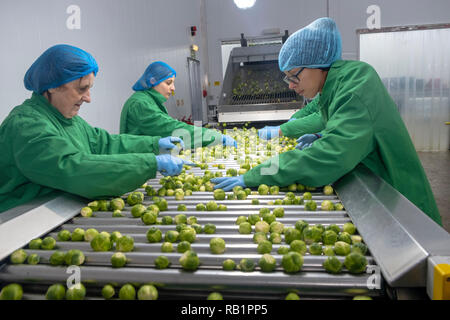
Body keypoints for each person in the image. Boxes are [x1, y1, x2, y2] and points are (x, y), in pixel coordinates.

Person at [211, 17, 442, 225]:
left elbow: (331, 155)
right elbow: (350, 129)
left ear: (317, 64)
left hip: (405, 209)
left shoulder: (356, 86)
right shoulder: (338, 85)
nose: (290, 84)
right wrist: (322, 135)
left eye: (294, 75)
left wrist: (254, 175)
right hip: (381, 196)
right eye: (287, 78)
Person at [0, 44, 189, 214]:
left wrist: (154, 145)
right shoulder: (26, 126)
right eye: (82, 89)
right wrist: (149, 163)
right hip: (18, 223)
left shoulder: (67, 118)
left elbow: (103, 143)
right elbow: (72, 168)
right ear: (53, 87)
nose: (88, 98)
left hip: (56, 211)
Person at [120, 61, 237, 148]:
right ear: (152, 81)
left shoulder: (150, 100)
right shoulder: (140, 104)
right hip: (140, 161)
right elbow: (170, 127)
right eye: (168, 83)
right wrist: (213, 137)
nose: (173, 88)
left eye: (173, 83)